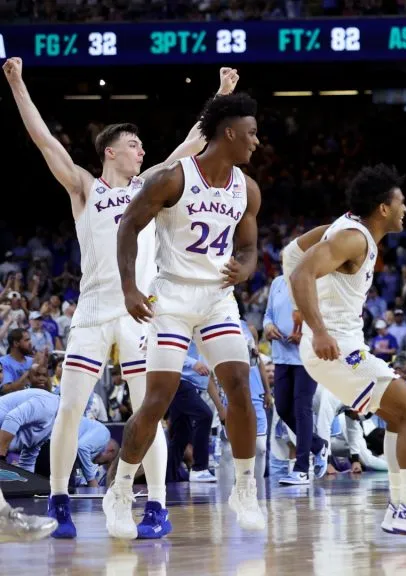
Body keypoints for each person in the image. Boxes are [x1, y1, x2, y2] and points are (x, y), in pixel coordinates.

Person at [5, 58, 240, 539]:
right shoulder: (84, 187)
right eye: (132, 145)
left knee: (146, 408)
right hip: (93, 309)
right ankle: (60, 500)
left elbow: (193, 142)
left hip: (140, 311)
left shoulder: (150, 186)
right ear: (110, 152)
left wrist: (219, 93)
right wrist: (16, 82)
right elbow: (43, 140)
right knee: (69, 407)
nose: (141, 149)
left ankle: (155, 505)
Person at [108, 92, 266, 539]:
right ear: (229, 132)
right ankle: (120, 491)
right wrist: (128, 286)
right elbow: (128, 225)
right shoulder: (172, 178)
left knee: (238, 385)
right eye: (251, 133)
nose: (256, 141)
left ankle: (245, 488)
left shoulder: (246, 188)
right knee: (157, 398)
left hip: (217, 299)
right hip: (173, 298)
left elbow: (250, 247)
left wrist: (247, 267)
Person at [286, 164, 406, 535]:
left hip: (339, 346)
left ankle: (403, 509)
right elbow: (301, 272)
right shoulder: (354, 237)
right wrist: (316, 327)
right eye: (401, 202)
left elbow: (291, 254)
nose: (405, 209)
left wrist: (302, 310)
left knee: (401, 415)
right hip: (334, 348)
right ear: (383, 207)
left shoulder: (345, 227)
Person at [263, 270, 327, 485]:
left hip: (306, 357)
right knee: (282, 408)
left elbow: (323, 318)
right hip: (281, 355)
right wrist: (268, 327)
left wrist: (306, 335)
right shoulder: (277, 282)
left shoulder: (315, 282)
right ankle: (318, 445)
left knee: (302, 409)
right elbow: (268, 314)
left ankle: (301, 469)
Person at [211, 320, 271, 488]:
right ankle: (229, 495)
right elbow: (209, 374)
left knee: (260, 448)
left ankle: (257, 493)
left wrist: (267, 391)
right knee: (230, 451)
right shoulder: (212, 327)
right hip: (229, 398)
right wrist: (219, 406)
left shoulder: (249, 328)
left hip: (256, 396)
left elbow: (258, 362)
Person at [166, 343, 217, 483]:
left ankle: (168, 478)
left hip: (190, 383)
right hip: (180, 380)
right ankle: (199, 469)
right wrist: (193, 363)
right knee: (204, 415)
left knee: (181, 435)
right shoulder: (181, 325)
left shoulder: (201, 330)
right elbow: (170, 351)